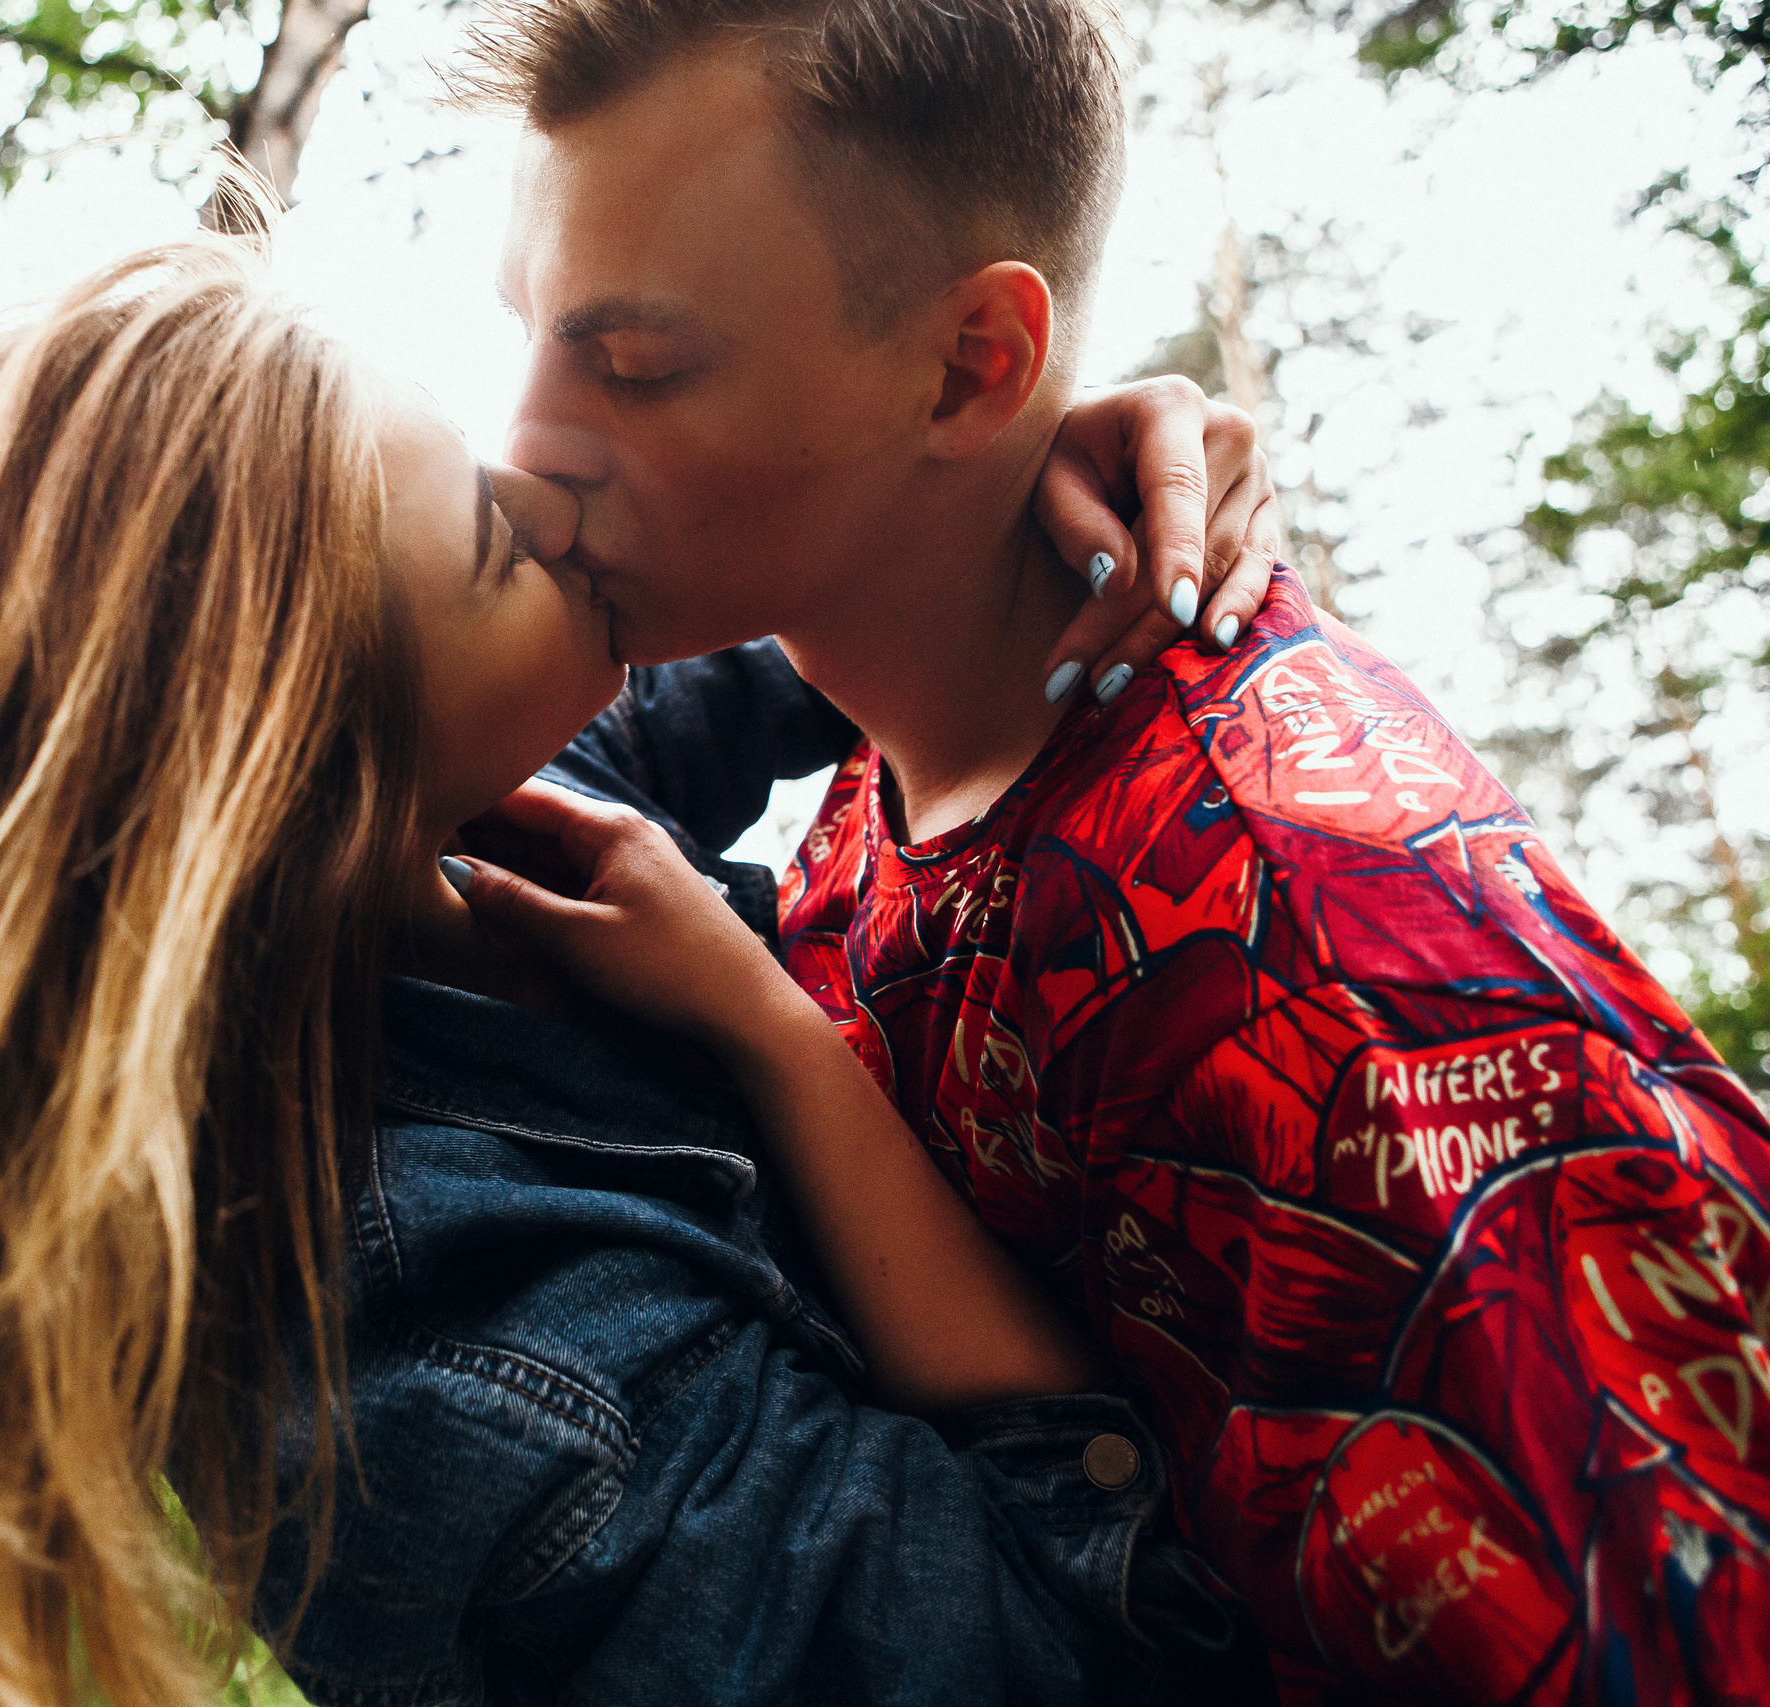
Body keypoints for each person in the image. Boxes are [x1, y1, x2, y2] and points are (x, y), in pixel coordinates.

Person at [0, 242, 1278, 1707]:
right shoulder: (456, 1396)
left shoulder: (440, 838)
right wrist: (774, 1037)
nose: (550, 494)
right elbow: (1116, 1636)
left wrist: (1031, 466)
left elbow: (788, 624)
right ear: (288, 789)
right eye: (489, 543)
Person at [454, 0, 1770, 1699]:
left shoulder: (1307, 916)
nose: (529, 441)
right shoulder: (898, 781)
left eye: (635, 366)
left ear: (970, 366)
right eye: (529, 332)